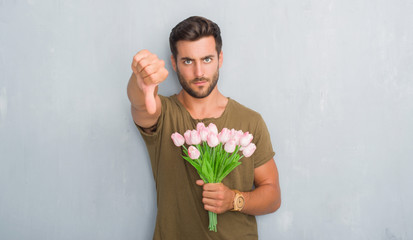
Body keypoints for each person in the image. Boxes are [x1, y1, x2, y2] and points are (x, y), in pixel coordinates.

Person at [127, 16, 281, 240]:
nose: (199, 72)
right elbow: (140, 104)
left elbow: (273, 196)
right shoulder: (164, 114)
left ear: (220, 58)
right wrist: (140, 80)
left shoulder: (250, 121)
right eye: (188, 61)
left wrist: (234, 200)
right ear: (174, 62)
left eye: (207, 59)